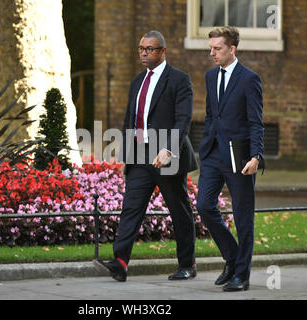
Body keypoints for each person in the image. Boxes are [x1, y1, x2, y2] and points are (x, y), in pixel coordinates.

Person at [93, 30, 198, 282]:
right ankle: (120, 262)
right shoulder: (137, 82)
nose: (143, 52)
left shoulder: (179, 80)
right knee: (130, 208)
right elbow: (130, 120)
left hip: (166, 157)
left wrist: (169, 148)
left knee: (179, 210)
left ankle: (188, 264)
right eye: (141, 48)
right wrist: (126, 156)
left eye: (149, 49)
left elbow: (183, 120)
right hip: (140, 157)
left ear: (162, 51)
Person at [196, 26, 264, 291]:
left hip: (240, 158)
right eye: (210, 48)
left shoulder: (250, 79)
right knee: (204, 205)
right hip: (213, 154)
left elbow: (256, 122)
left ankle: (241, 275)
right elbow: (212, 114)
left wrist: (256, 156)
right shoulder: (210, 76)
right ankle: (232, 257)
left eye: (217, 48)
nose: (211, 53)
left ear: (232, 49)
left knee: (243, 216)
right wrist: (206, 145)